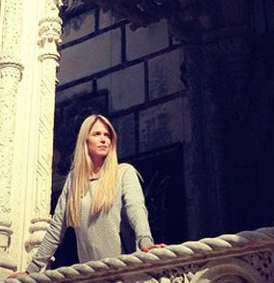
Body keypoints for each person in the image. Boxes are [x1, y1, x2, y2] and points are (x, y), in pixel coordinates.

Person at [17, 114, 165, 275]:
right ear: (85, 140)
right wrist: (31, 271)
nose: (103, 139)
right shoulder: (74, 180)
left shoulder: (123, 173)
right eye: (97, 134)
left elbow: (136, 209)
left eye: (107, 135)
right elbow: (56, 229)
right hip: (91, 274)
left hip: (126, 271)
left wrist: (146, 241)